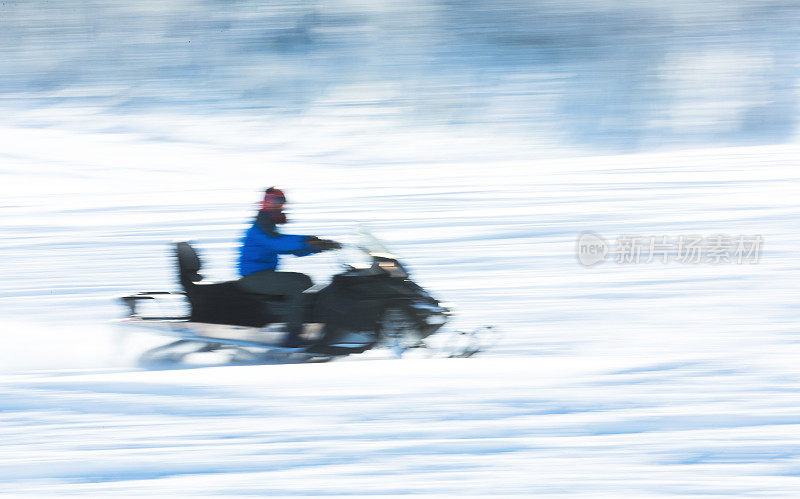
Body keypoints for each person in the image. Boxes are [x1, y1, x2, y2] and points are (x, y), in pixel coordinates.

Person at [237, 187, 340, 346]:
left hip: (262, 274)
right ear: (267, 203)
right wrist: (309, 241)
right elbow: (278, 243)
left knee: (305, 280)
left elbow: (289, 247)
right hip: (254, 278)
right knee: (297, 284)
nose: (282, 207)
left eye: (283, 203)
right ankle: (292, 335)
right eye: (278, 203)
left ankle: (308, 323)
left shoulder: (267, 226)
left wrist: (319, 246)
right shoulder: (259, 228)